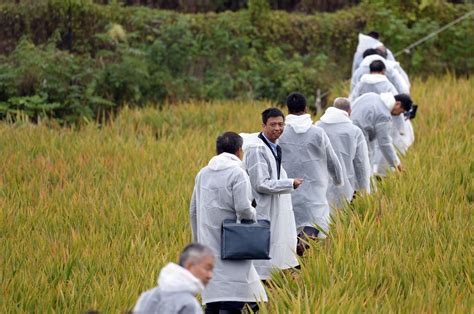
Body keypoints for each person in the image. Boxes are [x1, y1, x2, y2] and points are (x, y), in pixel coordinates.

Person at [190, 132, 267, 313]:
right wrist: (254, 215)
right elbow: (243, 209)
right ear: (240, 151)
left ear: (217, 151)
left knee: (214, 297)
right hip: (233, 243)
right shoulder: (237, 173)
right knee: (237, 294)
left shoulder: (203, 173)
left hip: (207, 244)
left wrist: (197, 241)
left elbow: (193, 210)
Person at [278, 93, 343, 255]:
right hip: (315, 185)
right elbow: (332, 159)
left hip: (289, 185)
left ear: (287, 109)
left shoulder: (281, 133)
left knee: (291, 221)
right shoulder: (317, 132)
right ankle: (306, 241)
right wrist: (338, 180)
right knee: (315, 220)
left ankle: (295, 254)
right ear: (306, 109)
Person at [243, 108, 302, 279]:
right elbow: (261, 184)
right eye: (273, 124)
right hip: (263, 209)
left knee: (276, 246)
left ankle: (272, 283)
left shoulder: (274, 146)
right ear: (263, 125)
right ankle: (262, 289)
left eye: (281, 124)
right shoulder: (257, 149)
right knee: (264, 251)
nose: (278, 128)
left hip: (274, 208)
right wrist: (290, 183)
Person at [315, 98, 371, 209]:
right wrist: (364, 191)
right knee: (341, 223)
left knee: (321, 223)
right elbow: (361, 164)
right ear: (350, 111)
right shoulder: (354, 131)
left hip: (319, 187)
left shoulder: (317, 127)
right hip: (346, 187)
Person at [133, 243, 215, 314]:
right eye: (207, 268)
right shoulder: (188, 304)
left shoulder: (147, 296)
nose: (210, 275)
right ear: (190, 265)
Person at [351, 92, 413, 173]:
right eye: (401, 112)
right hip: (358, 137)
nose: (398, 115)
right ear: (398, 104)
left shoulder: (371, 95)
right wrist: (397, 164)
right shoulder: (384, 115)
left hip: (344, 128)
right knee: (364, 168)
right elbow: (384, 143)